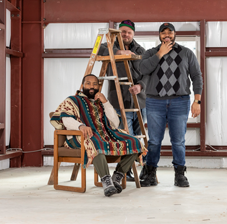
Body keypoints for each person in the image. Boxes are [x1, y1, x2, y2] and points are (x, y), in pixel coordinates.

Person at [50, 74, 147, 197]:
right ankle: (106, 182)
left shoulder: (101, 102)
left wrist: (105, 102)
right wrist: (80, 126)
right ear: (82, 85)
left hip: (104, 135)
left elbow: (115, 123)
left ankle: (117, 177)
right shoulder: (72, 100)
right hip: (78, 136)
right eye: (88, 83)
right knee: (95, 142)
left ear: (99, 86)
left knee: (135, 142)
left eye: (95, 84)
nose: (92, 86)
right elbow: (65, 118)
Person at [139, 23, 203, 188]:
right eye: (163, 33)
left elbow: (196, 76)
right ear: (159, 35)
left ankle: (180, 175)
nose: (167, 35)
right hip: (155, 102)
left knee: (178, 141)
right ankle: (150, 173)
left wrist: (197, 101)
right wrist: (160, 54)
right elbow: (142, 69)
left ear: (175, 34)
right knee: (154, 141)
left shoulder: (187, 53)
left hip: (180, 101)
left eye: (170, 32)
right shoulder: (151, 52)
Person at [98, 20, 148, 181]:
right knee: (126, 137)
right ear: (119, 32)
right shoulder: (107, 46)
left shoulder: (141, 51)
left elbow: (148, 74)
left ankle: (134, 168)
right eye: (123, 31)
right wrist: (118, 52)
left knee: (138, 137)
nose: (126, 34)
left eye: (129, 32)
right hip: (119, 99)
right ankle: (125, 171)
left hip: (139, 102)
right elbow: (97, 49)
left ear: (133, 34)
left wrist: (140, 85)